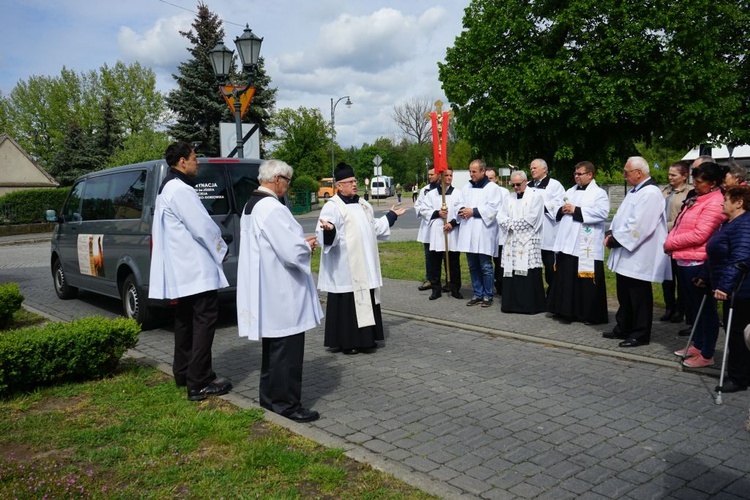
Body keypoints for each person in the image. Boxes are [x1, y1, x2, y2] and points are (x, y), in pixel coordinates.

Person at [236, 160, 323, 423]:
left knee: (274, 350)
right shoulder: (273, 208)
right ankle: (287, 405)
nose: (288, 185)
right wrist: (305, 247)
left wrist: (297, 243)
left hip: (268, 286)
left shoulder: (252, 205)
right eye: (287, 180)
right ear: (277, 179)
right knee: (287, 351)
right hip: (283, 291)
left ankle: (270, 398)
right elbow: (290, 252)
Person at [149, 141, 233, 401]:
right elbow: (202, 226)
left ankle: (183, 372)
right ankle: (200, 381)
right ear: (182, 161)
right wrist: (221, 248)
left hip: (182, 269)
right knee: (204, 323)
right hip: (196, 269)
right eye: (195, 158)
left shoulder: (167, 189)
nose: (198, 162)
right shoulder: (181, 190)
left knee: (184, 321)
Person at [317, 162, 406, 354]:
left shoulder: (364, 205)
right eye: (349, 182)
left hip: (365, 263)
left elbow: (373, 227)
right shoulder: (332, 207)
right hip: (345, 267)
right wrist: (329, 231)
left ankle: (366, 340)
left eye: (355, 181)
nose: (354, 184)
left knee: (366, 299)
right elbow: (323, 231)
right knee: (349, 304)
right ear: (339, 186)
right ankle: (347, 342)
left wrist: (391, 216)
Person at [665, 162, 729, 367]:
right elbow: (681, 224)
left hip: (698, 261)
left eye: (700, 182)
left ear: (713, 183)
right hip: (684, 258)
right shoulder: (699, 198)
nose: (696, 185)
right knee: (693, 308)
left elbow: (701, 233)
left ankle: (707, 353)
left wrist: (670, 242)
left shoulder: (715, 202)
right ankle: (698, 344)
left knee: (705, 310)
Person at [604, 157, 671, 348]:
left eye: (626, 172)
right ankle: (623, 327)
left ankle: (640, 334)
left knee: (638, 296)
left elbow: (641, 225)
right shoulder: (635, 190)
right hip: (626, 252)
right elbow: (620, 217)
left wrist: (616, 240)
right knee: (624, 294)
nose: (624, 176)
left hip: (638, 253)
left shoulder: (650, 193)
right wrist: (610, 232)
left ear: (639, 173)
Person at [694, 186, 750, 392]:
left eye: (726, 199)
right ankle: (742, 372)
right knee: (733, 332)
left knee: (737, 333)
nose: (721, 202)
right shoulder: (728, 223)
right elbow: (717, 255)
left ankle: (738, 378)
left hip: (741, 289)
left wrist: (725, 286)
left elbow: (740, 259)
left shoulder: (744, 225)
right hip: (729, 285)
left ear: (739, 202)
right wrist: (704, 276)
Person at [546, 161, 610, 325]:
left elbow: (602, 213)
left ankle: (589, 314)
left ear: (590, 175)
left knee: (586, 281)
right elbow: (557, 209)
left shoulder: (599, 193)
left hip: (585, 243)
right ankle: (566, 311)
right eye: (575, 174)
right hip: (567, 242)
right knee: (566, 278)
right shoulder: (570, 191)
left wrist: (576, 210)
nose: (576, 176)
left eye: (579, 174)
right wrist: (562, 209)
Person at [455, 159, 505, 307]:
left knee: (485, 266)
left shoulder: (492, 188)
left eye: (474, 171)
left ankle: (488, 295)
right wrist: (462, 209)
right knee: (472, 265)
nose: (471, 174)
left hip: (483, 232)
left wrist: (473, 211)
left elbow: (493, 209)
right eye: (470, 171)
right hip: (468, 231)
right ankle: (477, 293)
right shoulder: (466, 187)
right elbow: (458, 203)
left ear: (483, 171)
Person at [499, 170, 546, 313]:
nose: (515, 187)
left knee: (528, 272)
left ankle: (530, 305)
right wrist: (510, 225)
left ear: (525, 182)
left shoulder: (536, 196)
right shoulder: (509, 197)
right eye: (512, 184)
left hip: (529, 241)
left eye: (518, 184)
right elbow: (500, 216)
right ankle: (511, 304)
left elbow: (532, 219)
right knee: (511, 272)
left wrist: (512, 225)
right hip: (511, 242)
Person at [419, 168, 463, 300]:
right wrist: (437, 213)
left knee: (453, 262)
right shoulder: (431, 194)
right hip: (437, 232)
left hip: (452, 231)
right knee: (435, 262)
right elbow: (424, 210)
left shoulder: (458, 194)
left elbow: (461, 211)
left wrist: (453, 223)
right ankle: (436, 289)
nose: (449, 178)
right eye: (447, 175)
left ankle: (455, 288)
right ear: (441, 176)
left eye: (451, 175)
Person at [528, 158, 566, 293]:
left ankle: (553, 293)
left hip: (548, 232)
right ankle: (536, 293)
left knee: (550, 266)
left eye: (535, 168)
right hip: (531, 234)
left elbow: (560, 204)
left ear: (544, 169)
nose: (532, 170)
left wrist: (542, 206)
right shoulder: (527, 185)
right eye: (531, 168)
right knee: (533, 266)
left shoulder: (554, 185)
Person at [660, 160, 691, 323]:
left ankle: (680, 309)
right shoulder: (664, 191)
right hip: (663, 238)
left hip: (678, 237)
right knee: (666, 277)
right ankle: (669, 307)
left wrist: (666, 225)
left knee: (680, 277)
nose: (670, 177)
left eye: (674, 175)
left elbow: (684, 217)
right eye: (669, 174)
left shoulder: (689, 193)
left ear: (684, 176)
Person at [415, 168, 440, 291]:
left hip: (441, 227)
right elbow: (418, 206)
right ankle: (429, 279)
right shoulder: (424, 190)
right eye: (428, 174)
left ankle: (445, 281)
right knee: (429, 256)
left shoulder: (444, 190)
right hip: (428, 226)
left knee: (443, 256)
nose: (429, 176)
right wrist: (429, 212)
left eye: (432, 174)